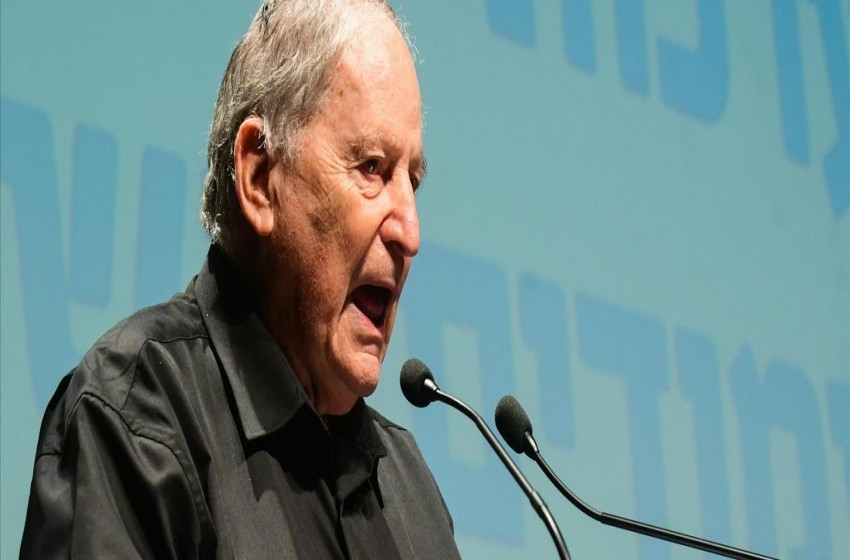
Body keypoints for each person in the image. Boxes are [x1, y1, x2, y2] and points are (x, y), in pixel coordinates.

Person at [20, 0, 461, 558]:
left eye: (412, 181)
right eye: (371, 167)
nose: (410, 233)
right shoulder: (134, 416)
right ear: (259, 176)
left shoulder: (410, 491)